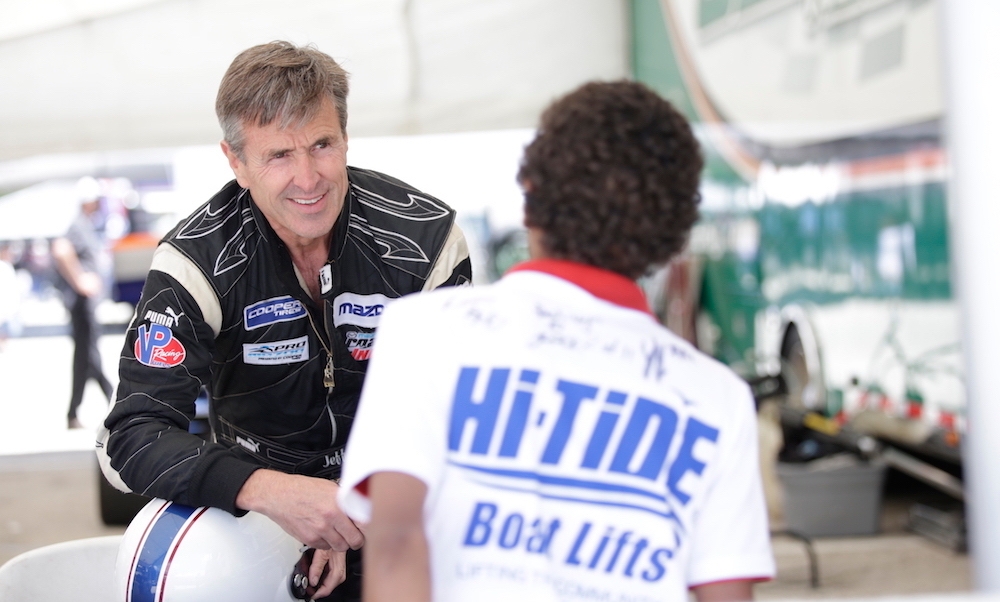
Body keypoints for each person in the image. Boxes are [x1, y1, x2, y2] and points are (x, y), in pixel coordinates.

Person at [338, 81, 776, 602]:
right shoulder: (719, 399)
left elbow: (395, 545)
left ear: (530, 195)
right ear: (672, 233)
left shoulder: (423, 333)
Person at [97, 41, 472, 601]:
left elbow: (464, 414)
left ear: (345, 138)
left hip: (404, 511)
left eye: (322, 145)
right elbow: (130, 435)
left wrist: (350, 506)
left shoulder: (428, 241)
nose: (308, 178)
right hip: (260, 525)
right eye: (278, 155)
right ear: (236, 162)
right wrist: (274, 493)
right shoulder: (195, 263)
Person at [52, 177, 115, 429]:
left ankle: (75, 411)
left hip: (85, 303)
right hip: (81, 303)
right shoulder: (78, 225)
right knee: (89, 354)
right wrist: (80, 280)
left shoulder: (86, 225)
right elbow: (61, 250)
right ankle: (113, 402)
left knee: (85, 356)